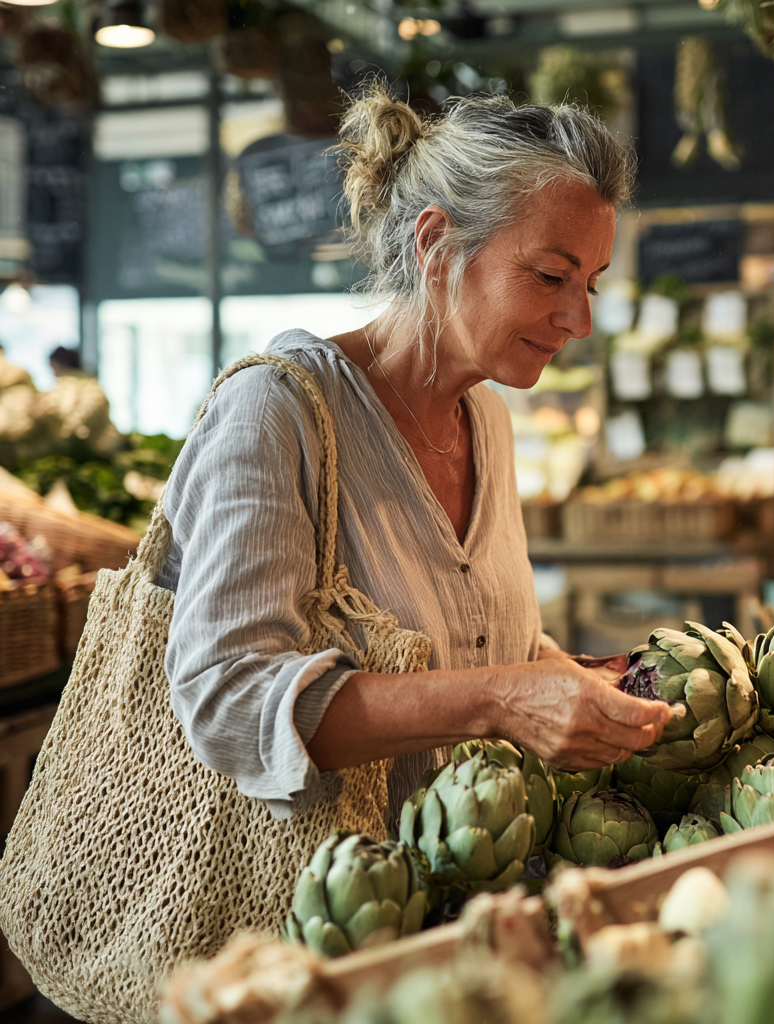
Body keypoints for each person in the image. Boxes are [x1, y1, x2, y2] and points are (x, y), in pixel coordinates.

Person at [156, 88, 669, 831]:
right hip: (308, 925)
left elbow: (487, 643)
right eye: (551, 277)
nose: (579, 320)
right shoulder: (279, 411)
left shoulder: (486, 418)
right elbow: (227, 699)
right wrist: (504, 699)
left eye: (589, 284)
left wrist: (579, 683)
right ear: (436, 244)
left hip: (460, 905)